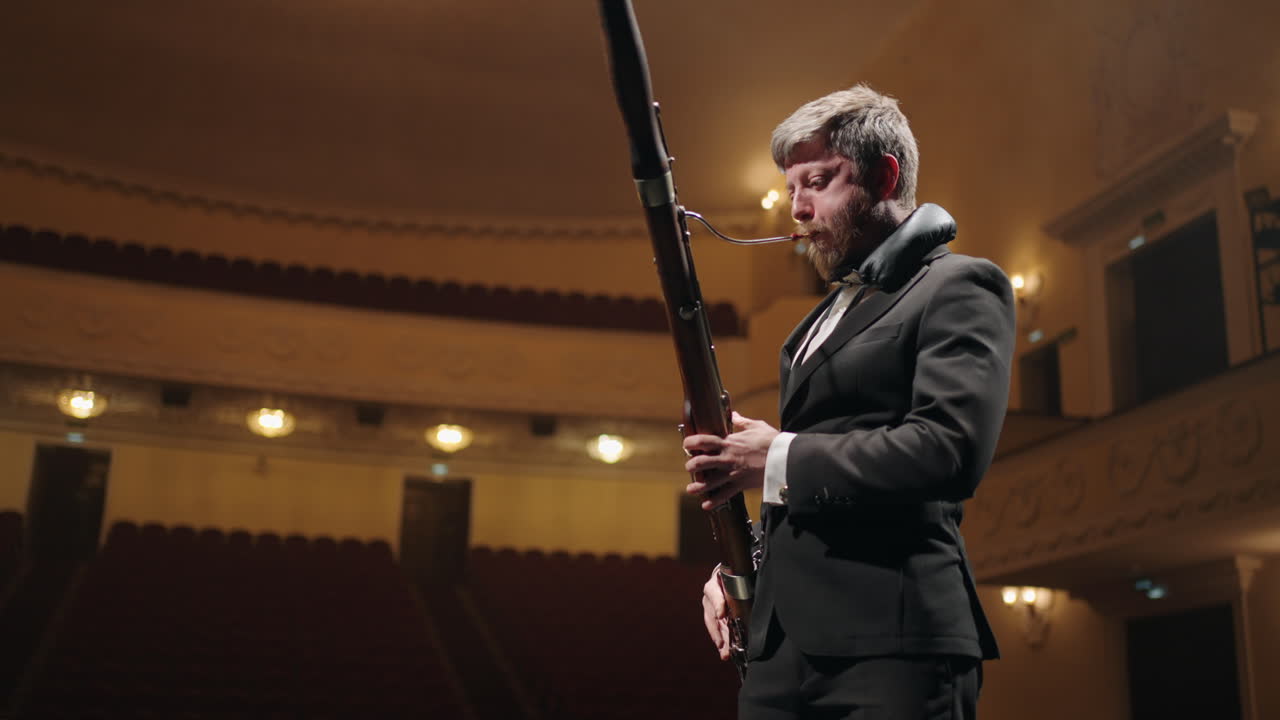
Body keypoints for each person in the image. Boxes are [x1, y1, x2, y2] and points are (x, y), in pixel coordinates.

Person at [683, 84, 1013, 719]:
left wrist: (775, 455)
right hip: (784, 651)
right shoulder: (809, 328)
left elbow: (950, 450)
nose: (799, 210)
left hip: (896, 641)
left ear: (885, 177)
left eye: (819, 181)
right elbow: (809, 485)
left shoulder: (960, 284)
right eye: (791, 190)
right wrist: (744, 573)